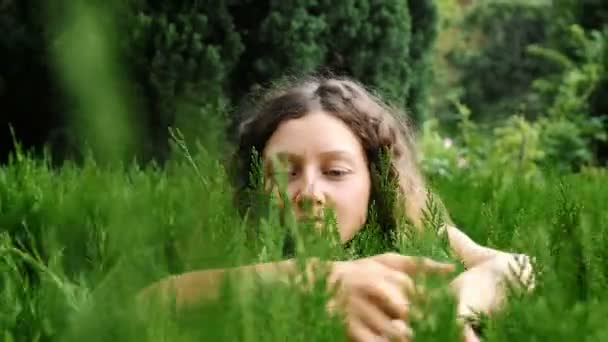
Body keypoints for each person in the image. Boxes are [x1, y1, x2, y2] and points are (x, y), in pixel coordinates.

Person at [139, 76, 534, 342]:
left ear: (375, 181)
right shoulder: (220, 236)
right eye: (285, 170)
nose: (309, 192)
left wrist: (452, 307)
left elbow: (517, 267)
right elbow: (128, 306)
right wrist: (305, 282)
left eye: (336, 171)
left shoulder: (411, 235)